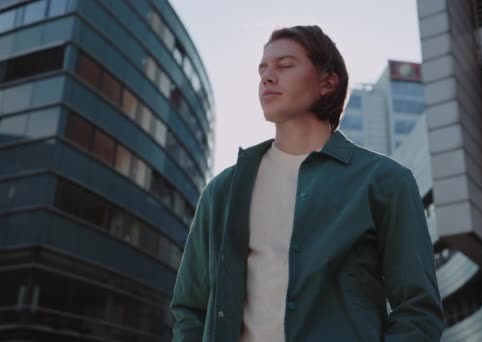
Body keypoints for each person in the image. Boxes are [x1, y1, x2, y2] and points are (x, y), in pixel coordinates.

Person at [171, 25, 444, 342]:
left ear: (328, 82)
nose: (267, 77)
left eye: (285, 65)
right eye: (263, 69)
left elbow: (418, 310)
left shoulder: (385, 182)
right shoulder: (222, 191)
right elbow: (190, 310)